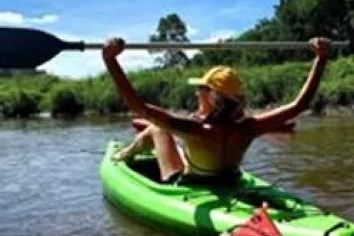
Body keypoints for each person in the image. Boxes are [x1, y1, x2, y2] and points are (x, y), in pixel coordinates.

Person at [102, 37, 330, 183]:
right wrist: (320, 60)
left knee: (157, 129)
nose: (196, 92)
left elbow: (139, 107)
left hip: (188, 185)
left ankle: (123, 155)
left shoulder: (197, 128)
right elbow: (300, 104)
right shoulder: (249, 127)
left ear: (212, 97)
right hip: (230, 181)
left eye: (201, 89)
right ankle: (131, 152)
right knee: (170, 136)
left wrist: (110, 60)